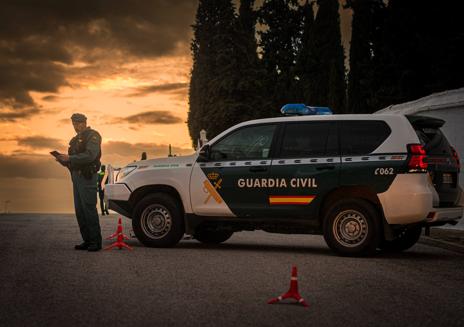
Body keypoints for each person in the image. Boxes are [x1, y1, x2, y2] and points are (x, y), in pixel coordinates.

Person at [56, 113, 103, 252]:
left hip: (87, 176)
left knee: (88, 208)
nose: (75, 127)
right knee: (80, 211)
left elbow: (90, 155)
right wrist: (64, 161)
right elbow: (74, 160)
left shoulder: (93, 135)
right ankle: (87, 240)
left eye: (77, 123)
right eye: (73, 124)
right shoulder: (75, 140)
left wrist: (69, 158)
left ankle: (95, 242)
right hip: (76, 176)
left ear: (84, 122)